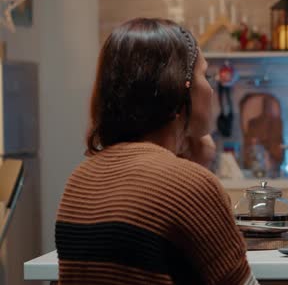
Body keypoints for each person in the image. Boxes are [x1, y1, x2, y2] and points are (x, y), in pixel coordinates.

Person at [54, 18, 258, 285]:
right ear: (179, 88)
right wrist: (190, 173)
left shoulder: (79, 181)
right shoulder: (190, 185)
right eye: (205, 76)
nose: (210, 89)